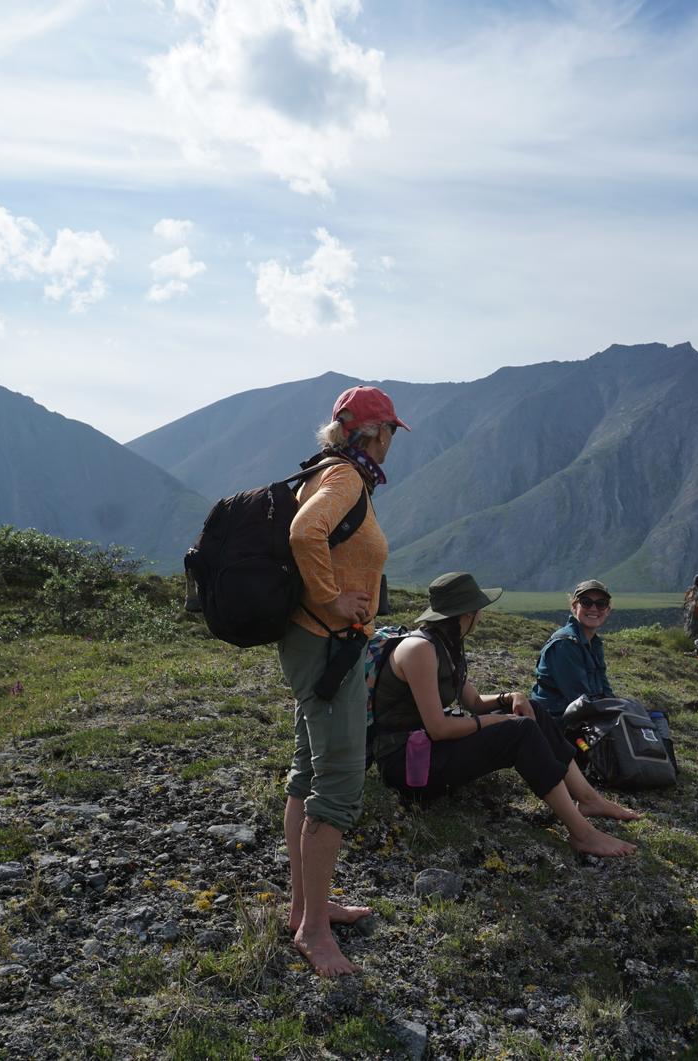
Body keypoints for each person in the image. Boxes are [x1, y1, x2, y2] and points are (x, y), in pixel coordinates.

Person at [278, 384, 408, 977]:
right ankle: (313, 931)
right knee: (337, 780)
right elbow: (306, 534)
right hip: (328, 643)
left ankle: (306, 904)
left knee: (308, 771)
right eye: (389, 433)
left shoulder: (330, 470)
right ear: (373, 434)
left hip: (318, 643)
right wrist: (332, 603)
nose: (390, 444)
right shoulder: (347, 478)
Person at [374, 572, 640, 857]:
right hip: (409, 766)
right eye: (479, 610)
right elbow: (438, 728)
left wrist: (511, 697)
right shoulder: (419, 650)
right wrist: (500, 721)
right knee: (519, 730)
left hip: (427, 749)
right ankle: (582, 834)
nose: (481, 617)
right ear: (468, 613)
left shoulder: (446, 644)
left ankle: (588, 798)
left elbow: (474, 702)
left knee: (531, 709)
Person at [529, 579, 616, 723]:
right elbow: (579, 698)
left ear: (607, 610)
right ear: (574, 607)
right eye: (586, 602)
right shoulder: (564, 644)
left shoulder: (594, 643)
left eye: (601, 604)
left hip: (581, 718)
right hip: (555, 723)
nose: (594, 609)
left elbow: (605, 691)